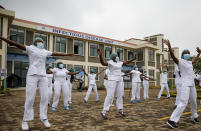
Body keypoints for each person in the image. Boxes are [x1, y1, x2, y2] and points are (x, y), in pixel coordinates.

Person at [0, 36, 74, 130]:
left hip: (42, 75)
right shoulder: (30, 48)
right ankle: (25, 120)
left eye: (42, 41)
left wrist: (67, 55)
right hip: (32, 75)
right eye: (39, 41)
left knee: (45, 97)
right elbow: (16, 44)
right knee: (30, 98)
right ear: (35, 42)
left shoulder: (44, 51)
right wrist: (3, 38)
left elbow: (55, 53)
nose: (41, 43)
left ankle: (44, 117)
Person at [164, 40, 200, 129]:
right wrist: (169, 47)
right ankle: (172, 120)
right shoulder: (180, 61)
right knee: (183, 102)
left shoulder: (190, 62)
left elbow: (194, 60)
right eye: (185, 53)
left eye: (188, 53)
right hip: (185, 85)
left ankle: (194, 116)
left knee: (194, 102)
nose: (187, 54)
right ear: (183, 55)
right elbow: (173, 57)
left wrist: (199, 54)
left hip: (192, 85)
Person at [98, 49, 136, 119]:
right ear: (113, 57)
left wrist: (133, 59)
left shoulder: (119, 62)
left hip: (119, 80)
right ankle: (104, 111)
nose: (117, 56)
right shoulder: (110, 62)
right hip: (112, 80)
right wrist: (100, 56)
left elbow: (126, 62)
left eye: (117, 55)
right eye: (116, 56)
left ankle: (120, 110)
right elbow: (103, 63)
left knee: (120, 95)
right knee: (110, 95)